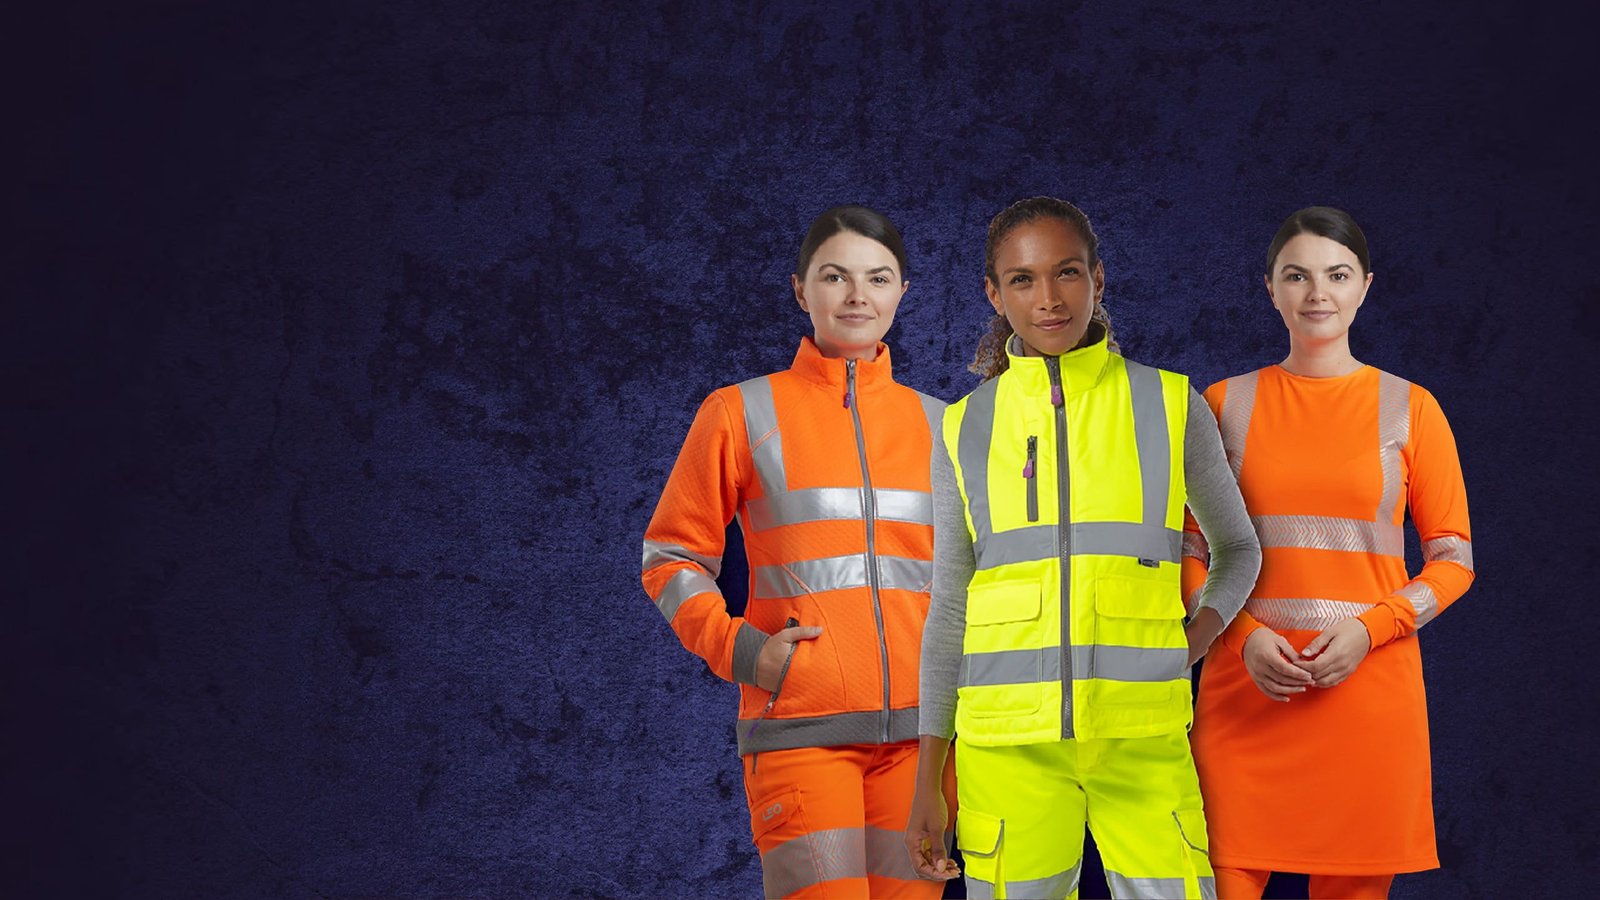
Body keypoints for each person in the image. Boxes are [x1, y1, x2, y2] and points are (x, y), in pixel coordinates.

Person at [904, 196, 1262, 899]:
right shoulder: (963, 428)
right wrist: (928, 779)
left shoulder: (1168, 403)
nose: (1048, 300)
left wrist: (1195, 639)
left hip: (1144, 741)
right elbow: (950, 610)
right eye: (1022, 280)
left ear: (1098, 278)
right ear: (994, 294)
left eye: (1066, 273)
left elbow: (1239, 550)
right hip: (1006, 753)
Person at [642, 205, 953, 899]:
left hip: (922, 747)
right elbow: (669, 556)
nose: (856, 296)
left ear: (904, 291)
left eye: (878, 278)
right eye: (834, 276)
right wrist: (745, 651)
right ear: (799, 290)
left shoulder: (944, 426)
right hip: (800, 736)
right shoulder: (740, 412)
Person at [1182, 207, 1476, 899]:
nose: (1319, 293)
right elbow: (1186, 556)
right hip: (1244, 696)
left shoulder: (1411, 409)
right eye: (1298, 276)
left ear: (1365, 287)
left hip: (1367, 702)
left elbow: (1454, 559)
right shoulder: (1223, 406)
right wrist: (1244, 637)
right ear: (1271, 290)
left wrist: (1373, 629)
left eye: (1337, 275)